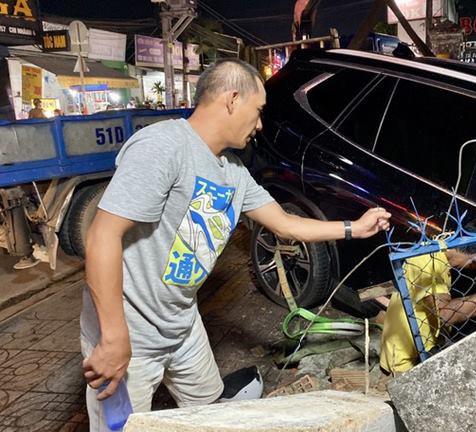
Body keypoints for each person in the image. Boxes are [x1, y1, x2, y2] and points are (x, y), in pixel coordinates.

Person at [81, 58, 391, 431]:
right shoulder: (164, 145)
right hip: (131, 332)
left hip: (181, 324)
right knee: (121, 428)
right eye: (258, 111)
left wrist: (353, 228)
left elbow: (286, 224)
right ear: (232, 99)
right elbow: (102, 235)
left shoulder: (234, 173)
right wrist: (114, 338)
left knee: (212, 414)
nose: (260, 124)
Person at [380, 246, 476, 374]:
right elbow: (446, 314)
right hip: (404, 363)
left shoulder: (435, 251)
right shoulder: (427, 260)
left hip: (420, 351)